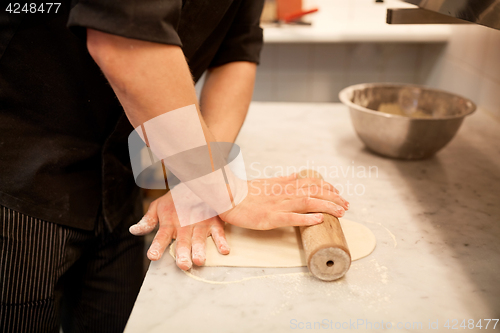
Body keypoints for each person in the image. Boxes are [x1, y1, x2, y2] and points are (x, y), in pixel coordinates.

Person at [0, 0, 349, 332]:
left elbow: (236, 53)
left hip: (119, 186)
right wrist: (223, 188)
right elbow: (123, 41)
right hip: (18, 184)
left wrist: (200, 181)